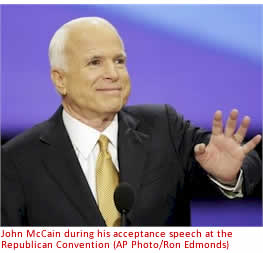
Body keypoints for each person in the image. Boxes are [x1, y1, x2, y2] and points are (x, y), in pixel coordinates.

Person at [1, 17, 261, 226]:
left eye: (119, 61)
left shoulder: (164, 127)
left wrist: (230, 175)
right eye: (95, 62)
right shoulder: (16, 160)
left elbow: (241, 163)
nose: (113, 74)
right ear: (60, 79)